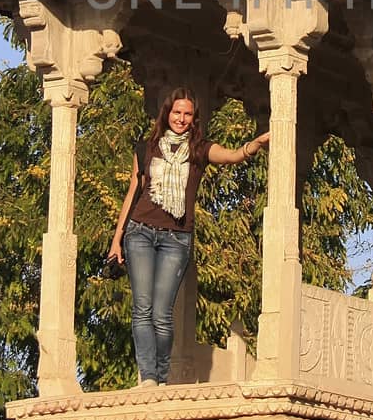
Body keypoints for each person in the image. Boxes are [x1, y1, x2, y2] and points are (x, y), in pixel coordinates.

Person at [107, 87, 269, 387]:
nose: (181, 118)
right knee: (142, 308)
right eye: (176, 112)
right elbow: (133, 193)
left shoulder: (199, 149)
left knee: (162, 313)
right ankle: (148, 377)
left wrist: (253, 145)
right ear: (167, 114)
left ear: (194, 119)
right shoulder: (146, 148)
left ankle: (162, 374)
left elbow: (232, 156)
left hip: (176, 238)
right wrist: (116, 239)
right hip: (139, 231)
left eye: (187, 114)